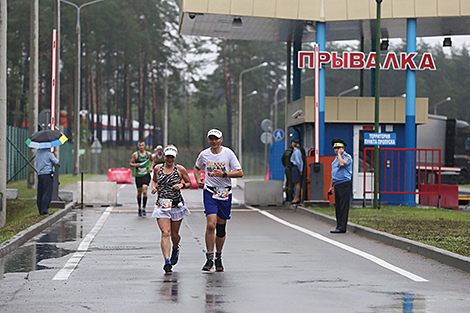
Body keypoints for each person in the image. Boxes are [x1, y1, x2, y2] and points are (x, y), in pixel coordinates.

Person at [194, 128, 243, 272]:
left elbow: (240, 172)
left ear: (221, 140)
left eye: (216, 139)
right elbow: (197, 168)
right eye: (211, 139)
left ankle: (218, 256)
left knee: (221, 228)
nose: (213, 142)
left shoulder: (228, 154)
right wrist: (198, 180)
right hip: (210, 192)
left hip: (224, 193)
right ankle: (209, 258)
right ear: (208, 140)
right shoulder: (204, 154)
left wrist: (224, 174)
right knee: (211, 225)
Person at [151, 145, 191, 274]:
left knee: (174, 235)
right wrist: (154, 187)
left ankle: (175, 247)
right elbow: (154, 180)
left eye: (171, 157)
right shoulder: (158, 168)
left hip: (176, 205)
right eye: (167, 156)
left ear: (175, 157)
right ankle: (167, 261)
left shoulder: (180, 169)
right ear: (164, 156)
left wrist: (182, 185)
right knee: (165, 232)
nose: (169, 159)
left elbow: (190, 183)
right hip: (162, 205)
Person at [328, 138, 353, 234]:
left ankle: (342, 227)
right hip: (337, 184)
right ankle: (339, 226)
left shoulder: (347, 157)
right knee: (338, 206)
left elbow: (342, 164)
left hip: (344, 184)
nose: (336, 150)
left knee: (343, 206)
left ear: (343, 148)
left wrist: (339, 154)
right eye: (335, 148)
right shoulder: (335, 159)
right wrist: (331, 187)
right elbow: (333, 173)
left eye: (338, 148)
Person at [130, 139, 154, 217]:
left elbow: (152, 160)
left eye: (142, 145)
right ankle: (139, 207)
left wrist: (150, 167)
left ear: (145, 146)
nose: (141, 147)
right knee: (139, 192)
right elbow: (131, 163)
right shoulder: (135, 155)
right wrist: (135, 165)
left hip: (146, 174)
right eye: (140, 145)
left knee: (144, 190)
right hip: (138, 175)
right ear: (138, 146)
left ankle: (144, 207)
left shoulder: (148, 154)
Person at [35, 148, 59, 215]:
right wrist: (54, 154)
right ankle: (44, 210)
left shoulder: (37, 153)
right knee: (47, 192)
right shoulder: (49, 154)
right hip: (47, 175)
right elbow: (57, 162)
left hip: (40, 174)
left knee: (40, 193)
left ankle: (40, 209)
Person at [290, 139, 303, 204]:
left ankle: (297, 197)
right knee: (295, 183)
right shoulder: (295, 151)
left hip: (296, 167)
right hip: (295, 167)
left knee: (297, 183)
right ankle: (296, 197)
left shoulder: (296, 151)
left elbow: (298, 162)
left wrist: (300, 169)